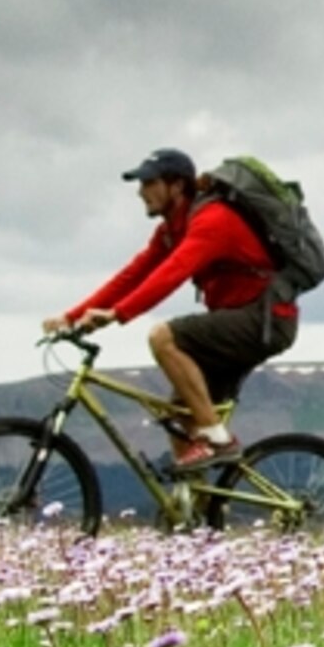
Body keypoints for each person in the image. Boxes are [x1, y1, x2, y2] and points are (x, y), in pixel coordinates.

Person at [46, 149, 300, 468]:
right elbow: (132, 275)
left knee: (163, 337)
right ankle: (192, 512)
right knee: (180, 420)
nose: (141, 192)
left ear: (177, 186)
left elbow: (173, 272)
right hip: (238, 320)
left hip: (265, 320)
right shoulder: (170, 231)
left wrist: (117, 314)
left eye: (149, 183)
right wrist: (70, 316)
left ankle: (219, 440)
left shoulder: (213, 220)